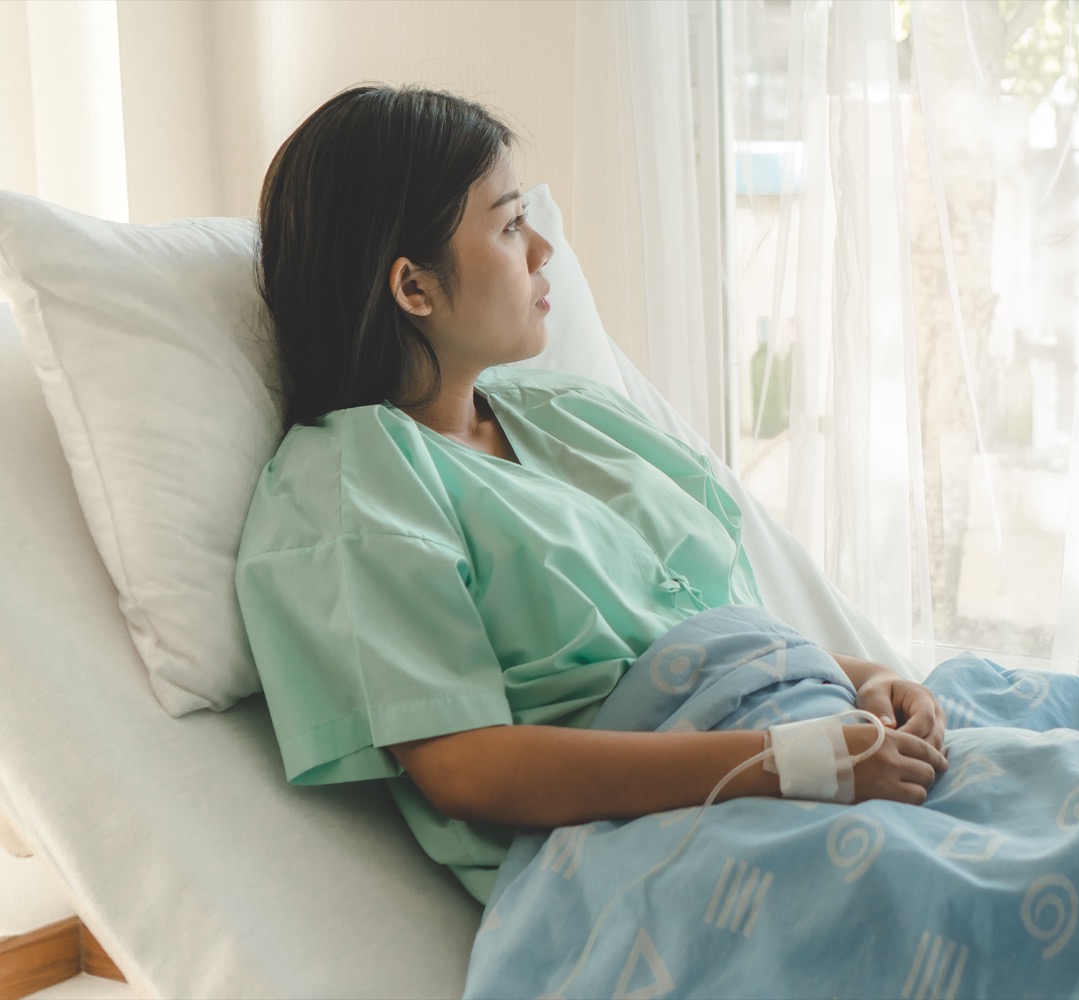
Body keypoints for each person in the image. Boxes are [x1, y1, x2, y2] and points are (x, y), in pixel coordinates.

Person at [235, 84, 948, 906]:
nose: (542, 250)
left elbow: (710, 629)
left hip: (820, 741)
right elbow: (470, 768)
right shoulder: (350, 486)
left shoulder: (575, 415)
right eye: (508, 226)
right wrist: (795, 764)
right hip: (679, 839)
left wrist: (869, 679)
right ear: (414, 289)